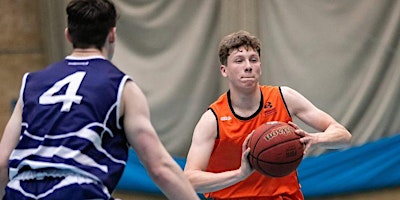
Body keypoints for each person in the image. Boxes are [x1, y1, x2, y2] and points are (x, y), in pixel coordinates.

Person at [0, 0, 199, 199]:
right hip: (77, 191)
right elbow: (160, 168)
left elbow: (2, 161)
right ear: (112, 35)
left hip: (20, 190)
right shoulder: (122, 87)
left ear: (68, 34)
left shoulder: (31, 83)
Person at [184, 30, 352, 200]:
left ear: (260, 67)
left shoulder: (284, 97)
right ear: (224, 70)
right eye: (239, 61)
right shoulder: (213, 119)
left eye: (253, 60)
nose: (248, 66)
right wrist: (240, 174)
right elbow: (189, 179)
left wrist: (315, 139)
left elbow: (344, 135)